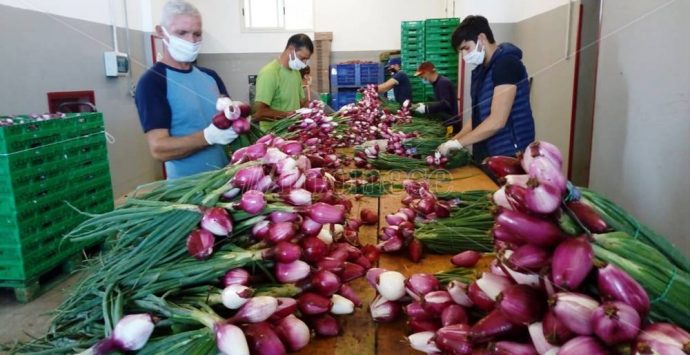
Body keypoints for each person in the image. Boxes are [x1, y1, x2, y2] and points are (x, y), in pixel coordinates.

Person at [135, 0, 237, 179]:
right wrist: (208, 137)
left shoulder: (210, 77)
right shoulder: (152, 82)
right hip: (188, 192)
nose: (191, 41)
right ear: (161, 32)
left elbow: (230, 120)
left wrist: (240, 116)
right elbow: (159, 149)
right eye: (181, 33)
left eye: (197, 34)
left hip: (225, 182)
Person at [438, 15, 535, 164]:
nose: (464, 55)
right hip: (489, 152)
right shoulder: (482, 71)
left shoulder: (506, 64)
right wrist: (454, 140)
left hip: (510, 154)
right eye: (461, 51)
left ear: (481, 38)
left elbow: (497, 121)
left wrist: (459, 144)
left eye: (466, 48)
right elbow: (478, 117)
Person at [253, 34, 314, 131]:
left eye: (306, 60)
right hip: (275, 136)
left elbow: (300, 102)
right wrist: (287, 116)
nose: (304, 63)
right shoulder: (269, 73)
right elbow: (259, 113)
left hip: (293, 133)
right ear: (291, 49)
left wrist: (310, 106)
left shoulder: (295, 72)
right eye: (302, 58)